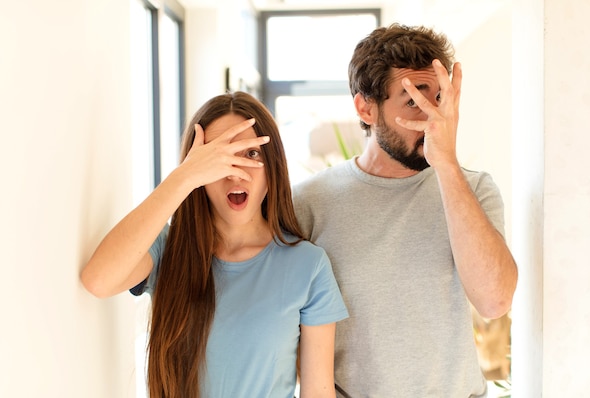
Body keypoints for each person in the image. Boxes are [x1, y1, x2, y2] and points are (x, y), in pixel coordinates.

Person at [292, 23, 518, 397]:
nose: (431, 119)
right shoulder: (308, 203)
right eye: (413, 101)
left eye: (438, 101)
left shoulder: (474, 188)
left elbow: (494, 301)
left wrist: (446, 164)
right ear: (366, 108)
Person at [80, 91, 348, 398]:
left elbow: (318, 391)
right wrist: (184, 177)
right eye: (219, 156)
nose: (235, 171)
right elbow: (98, 280)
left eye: (250, 153)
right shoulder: (167, 250)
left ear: (272, 167)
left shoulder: (308, 266)